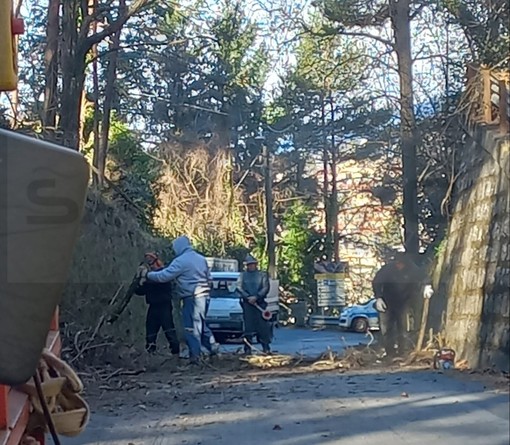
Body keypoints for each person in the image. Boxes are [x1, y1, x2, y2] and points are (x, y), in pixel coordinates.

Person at [138, 236, 218, 365]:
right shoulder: (201, 259)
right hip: (205, 297)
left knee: (191, 328)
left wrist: (147, 275)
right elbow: (209, 278)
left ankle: (195, 357)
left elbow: (164, 276)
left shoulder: (181, 261)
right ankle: (212, 347)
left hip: (192, 298)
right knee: (201, 324)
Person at [372, 252, 434, 357]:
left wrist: (427, 286)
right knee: (386, 329)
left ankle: (403, 352)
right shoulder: (387, 269)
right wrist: (378, 297)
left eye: (401, 264)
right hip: (387, 302)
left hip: (404, 302)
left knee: (404, 329)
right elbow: (376, 282)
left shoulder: (412, 269)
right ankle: (389, 352)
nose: (399, 265)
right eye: (397, 263)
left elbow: (424, 277)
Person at [134, 252, 180, 355]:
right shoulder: (150, 276)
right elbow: (140, 291)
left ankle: (175, 353)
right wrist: (139, 280)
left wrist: (145, 276)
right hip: (153, 306)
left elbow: (159, 281)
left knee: (169, 330)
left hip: (164, 306)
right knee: (151, 331)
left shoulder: (163, 273)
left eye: (150, 259)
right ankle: (151, 352)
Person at [237, 254, 272, 355]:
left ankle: (266, 347)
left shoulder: (262, 275)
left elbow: (265, 287)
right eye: (249, 264)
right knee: (248, 327)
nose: (251, 266)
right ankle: (247, 348)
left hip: (260, 305)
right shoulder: (242, 276)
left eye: (252, 264)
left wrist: (256, 297)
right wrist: (247, 297)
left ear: (256, 264)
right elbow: (239, 288)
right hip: (247, 305)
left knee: (263, 327)